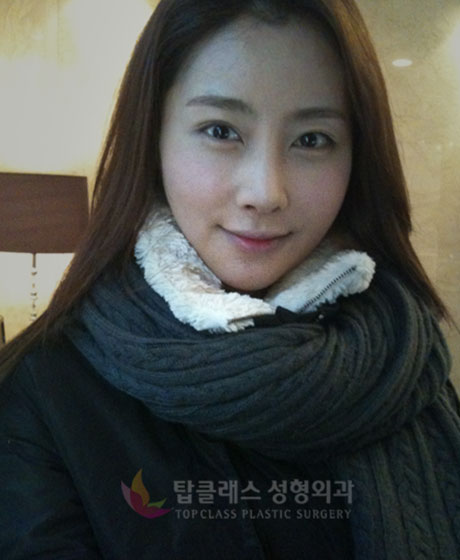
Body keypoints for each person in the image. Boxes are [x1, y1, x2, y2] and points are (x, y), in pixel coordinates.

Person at [1, 0, 459, 558]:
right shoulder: (46, 395)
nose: (265, 192)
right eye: (220, 130)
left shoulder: (405, 359)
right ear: (154, 140)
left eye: (312, 139)